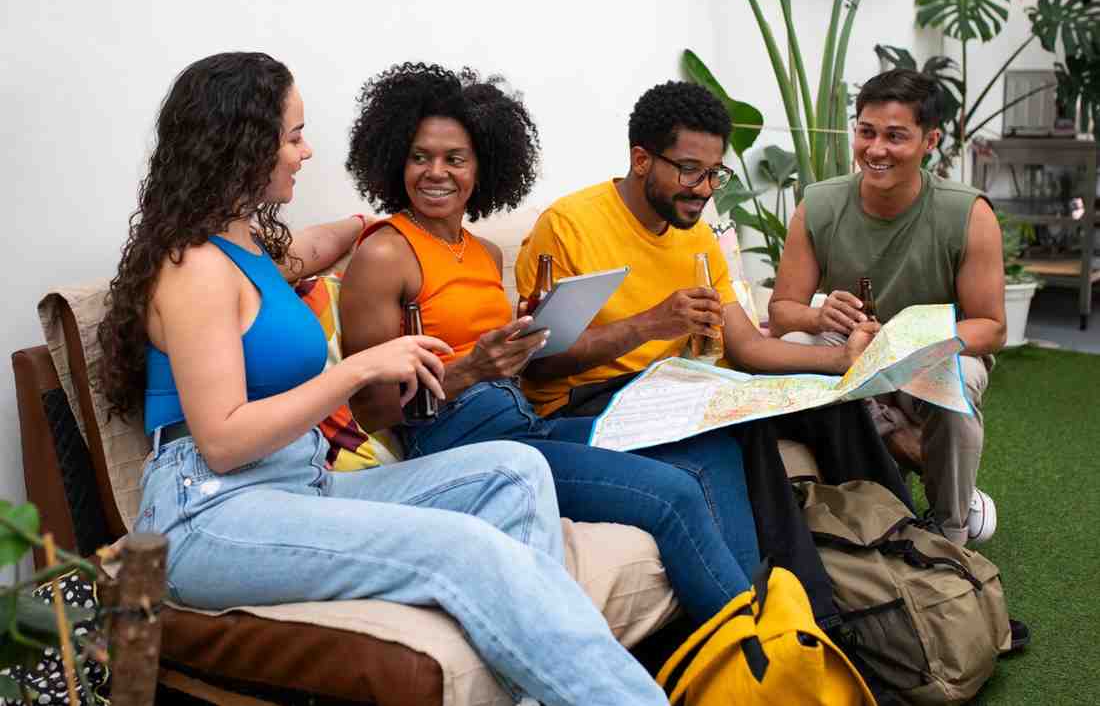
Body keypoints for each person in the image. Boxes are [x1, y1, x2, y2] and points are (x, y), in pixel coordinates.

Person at [95, 52, 668, 706]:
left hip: (298, 485)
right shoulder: (194, 268)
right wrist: (363, 366)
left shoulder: (245, 246)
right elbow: (223, 439)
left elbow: (308, 248)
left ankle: (540, 687)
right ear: (244, 144)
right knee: (461, 549)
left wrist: (363, 228)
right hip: (210, 513)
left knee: (514, 471)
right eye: (293, 135)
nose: (306, 152)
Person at [340, 62, 761, 626]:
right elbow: (367, 408)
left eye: (454, 159)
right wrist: (471, 369)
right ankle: (749, 647)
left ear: (481, 167)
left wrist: (535, 335)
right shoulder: (385, 253)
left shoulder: (484, 252)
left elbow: (510, 366)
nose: (436, 173)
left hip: (522, 427)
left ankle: (764, 623)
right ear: (397, 161)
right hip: (459, 447)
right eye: (421, 157)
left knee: (713, 448)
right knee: (673, 495)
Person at [514, 80, 915, 624]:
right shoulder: (569, 226)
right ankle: (816, 620)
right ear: (640, 159)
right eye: (689, 171)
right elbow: (541, 361)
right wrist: (653, 322)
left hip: (678, 391)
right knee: (739, 427)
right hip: (589, 404)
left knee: (829, 402)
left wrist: (841, 365)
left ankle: (914, 561)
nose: (704, 190)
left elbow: (747, 346)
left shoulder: (696, 236)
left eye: (714, 174)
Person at [768, 69, 1005, 546]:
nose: (875, 150)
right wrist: (818, 315)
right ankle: (854, 491)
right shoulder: (819, 204)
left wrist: (924, 342)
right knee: (794, 346)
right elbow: (782, 312)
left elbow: (992, 328)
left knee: (957, 382)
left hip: (933, 349)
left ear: (929, 141)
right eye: (866, 132)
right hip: (852, 346)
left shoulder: (967, 212)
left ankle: (949, 531)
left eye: (895, 136)